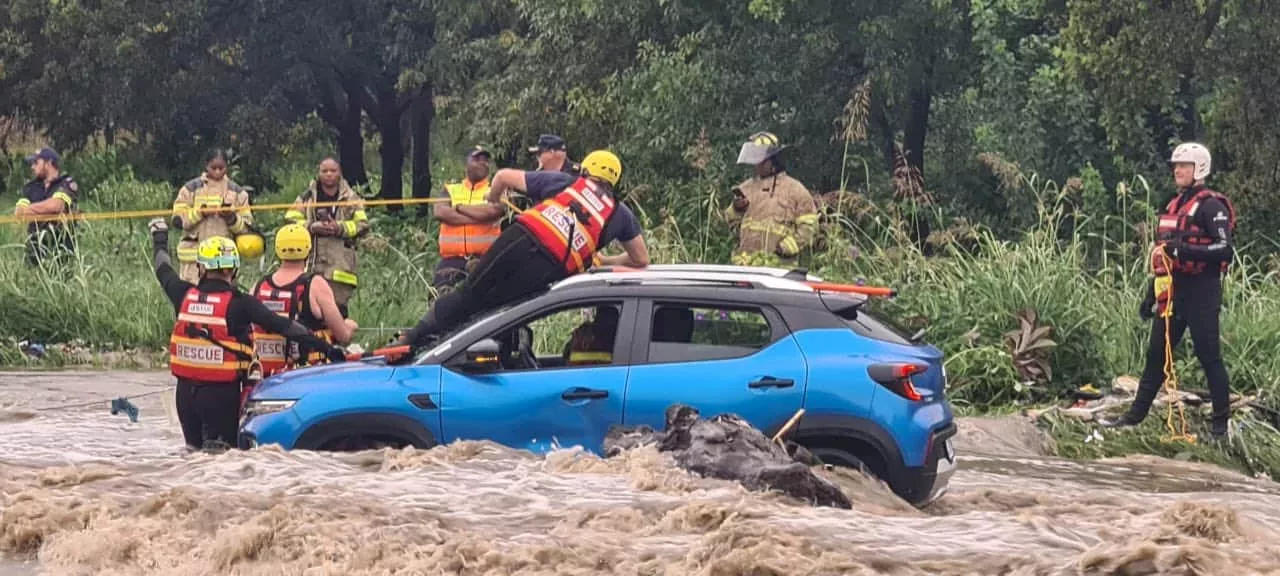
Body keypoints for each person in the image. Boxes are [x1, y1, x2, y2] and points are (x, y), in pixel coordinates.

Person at [396, 150, 649, 349]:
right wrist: (603, 260)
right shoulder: (621, 214)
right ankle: (488, 355)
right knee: (502, 311)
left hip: (522, 238)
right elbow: (640, 259)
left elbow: (503, 176)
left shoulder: (567, 182)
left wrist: (494, 199)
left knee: (470, 293)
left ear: (585, 170)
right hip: (550, 267)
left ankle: (415, 339)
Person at [147, 218, 345, 450]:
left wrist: (159, 236)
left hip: (185, 397)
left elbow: (162, 267)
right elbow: (285, 327)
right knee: (225, 459)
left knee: (193, 454)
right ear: (233, 268)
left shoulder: (182, 294)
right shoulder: (241, 304)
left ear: (201, 267)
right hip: (221, 397)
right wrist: (330, 350)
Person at [1100, 142, 1235, 439]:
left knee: (1208, 355)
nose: (1177, 170)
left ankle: (1220, 427)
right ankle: (1134, 417)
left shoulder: (1211, 206)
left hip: (1203, 290)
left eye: (1183, 165)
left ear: (1198, 168)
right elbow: (1164, 256)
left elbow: (1225, 250)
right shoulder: (1175, 205)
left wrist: (1184, 249)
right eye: (1175, 165)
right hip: (1174, 290)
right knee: (1156, 355)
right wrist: (1150, 294)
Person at [250, 223, 359, 383]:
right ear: (308, 250)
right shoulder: (315, 284)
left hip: (266, 378)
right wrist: (350, 326)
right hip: (306, 376)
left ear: (278, 250)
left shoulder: (258, 287)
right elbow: (342, 335)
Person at [284, 157, 369, 315]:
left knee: (337, 310)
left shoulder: (351, 197)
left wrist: (339, 228)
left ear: (340, 173)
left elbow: (362, 225)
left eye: (333, 170)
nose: (329, 174)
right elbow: (290, 219)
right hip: (311, 263)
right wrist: (311, 227)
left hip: (340, 265)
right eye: (324, 171)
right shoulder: (308, 196)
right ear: (319, 173)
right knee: (309, 309)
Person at [724, 132, 819, 268]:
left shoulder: (795, 190)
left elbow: (809, 227)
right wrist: (736, 208)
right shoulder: (745, 188)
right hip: (745, 266)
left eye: (761, 161)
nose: (757, 166)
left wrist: (786, 247)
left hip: (779, 268)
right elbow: (730, 223)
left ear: (774, 160)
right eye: (754, 160)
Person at [171, 149, 254, 283]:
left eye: (221, 168)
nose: (217, 172)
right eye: (213, 168)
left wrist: (231, 218)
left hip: (224, 264)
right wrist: (200, 213)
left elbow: (247, 228)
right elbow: (178, 221)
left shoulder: (238, 193)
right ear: (206, 166)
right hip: (193, 264)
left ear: (227, 167)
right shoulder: (190, 189)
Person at [432, 146, 502, 294]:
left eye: (485, 160)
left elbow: (492, 211)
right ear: (466, 164)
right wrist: (478, 217)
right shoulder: (450, 189)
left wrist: (458, 207)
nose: (483, 163)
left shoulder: (495, 190)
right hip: (452, 260)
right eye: (477, 159)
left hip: (485, 260)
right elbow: (440, 211)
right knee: (439, 299)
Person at [12, 147, 79, 266]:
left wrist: (30, 210)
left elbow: (56, 206)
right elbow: (19, 212)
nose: (32, 167)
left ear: (48, 163)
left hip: (61, 250)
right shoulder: (30, 187)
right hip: (35, 250)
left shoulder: (66, 183)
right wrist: (44, 209)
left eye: (36, 162)